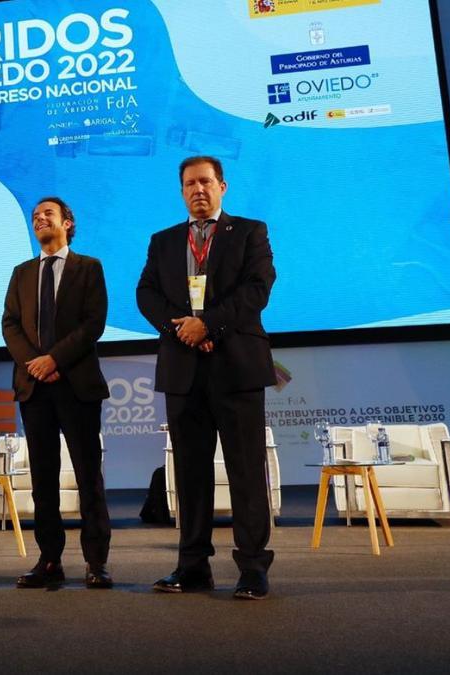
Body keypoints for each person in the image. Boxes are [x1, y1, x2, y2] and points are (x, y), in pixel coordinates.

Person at [136, 156, 277, 600]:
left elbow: (258, 288)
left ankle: (253, 568)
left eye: (206, 182)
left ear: (222, 186)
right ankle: (192, 566)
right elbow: (146, 293)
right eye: (189, 184)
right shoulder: (163, 241)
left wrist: (209, 324)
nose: (198, 190)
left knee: (246, 473)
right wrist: (183, 329)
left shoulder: (250, 231)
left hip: (236, 368)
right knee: (191, 475)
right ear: (181, 191)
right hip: (183, 370)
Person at [2, 197, 113, 589]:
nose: (39, 219)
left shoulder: (89, 268)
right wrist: (36, 363)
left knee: (88, 477)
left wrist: (54, 360)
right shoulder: (21, 273)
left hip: (77, 385)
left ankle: (96, 562)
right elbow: (10, 325)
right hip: (34, 389)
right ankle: (49, 560)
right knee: (42, 480)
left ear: (67, 222)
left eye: (47, 214)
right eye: (34, 216)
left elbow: (93, 323)